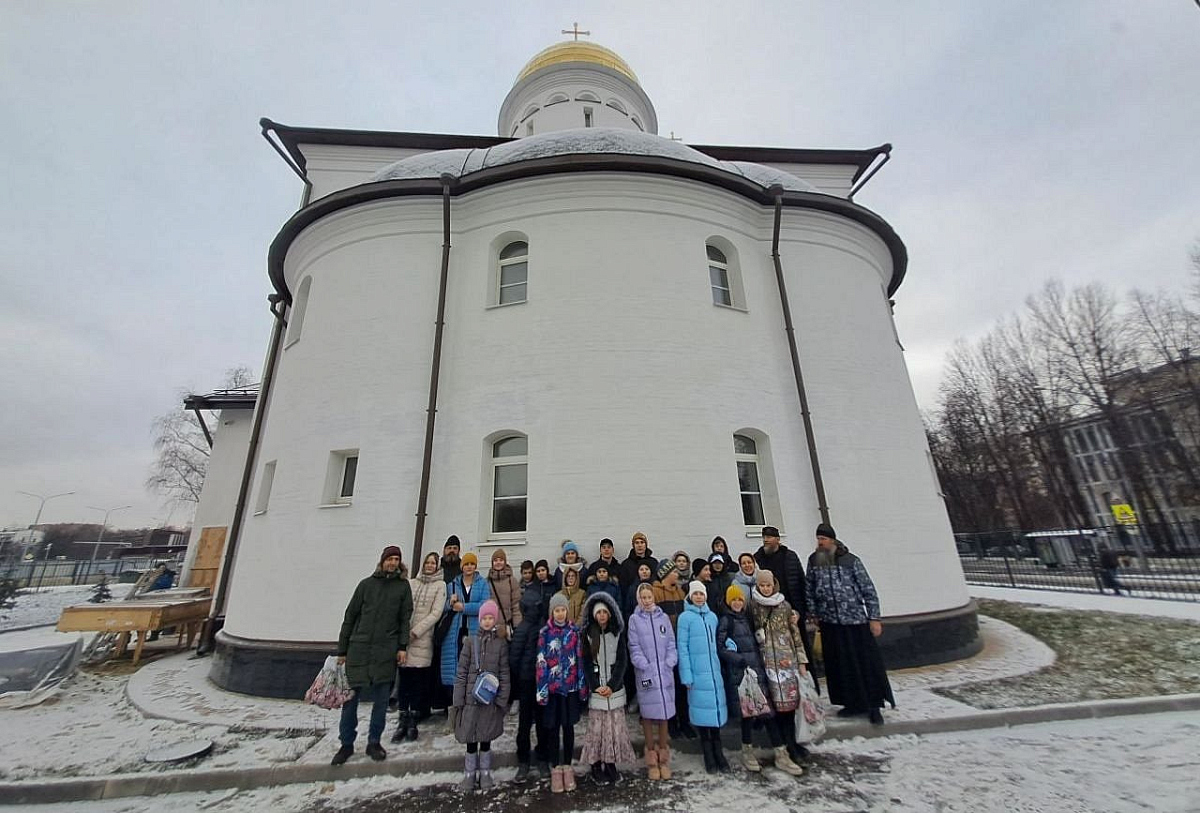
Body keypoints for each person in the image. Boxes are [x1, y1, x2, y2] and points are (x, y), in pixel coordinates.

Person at [332, 545, 413, 766]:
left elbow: (404, 619)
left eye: (396, 559)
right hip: (359, 649)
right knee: (350, 701)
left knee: (381, 701)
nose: (393, 563)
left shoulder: (402, 587)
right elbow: (350, 616)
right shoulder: (366, 585)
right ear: (382, 561)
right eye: (389, 559)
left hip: (385, 651)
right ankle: (346, 743)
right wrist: (342, 649)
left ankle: (374, 742)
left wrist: (402, 647)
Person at [806, 524, 894, 726]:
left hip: (854, 621)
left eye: (823, 539)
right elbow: (810, 587)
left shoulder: (850, 560)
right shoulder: (814, 561)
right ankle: (851, 703)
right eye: (818, 538)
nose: (820, 542)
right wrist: (813, 613)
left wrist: (874, 618)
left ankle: (873, 706)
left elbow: (867, 589)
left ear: (832, 540)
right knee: (841, 667)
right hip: (830, 622)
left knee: (865, 665)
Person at [718, 584, 803, 776]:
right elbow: (721, 647)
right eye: (734, 600)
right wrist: (738, 659)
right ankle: (747, 752)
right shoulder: (726, 621)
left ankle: (781, 753)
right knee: (748, 716)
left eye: (740, 599)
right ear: (728, 602)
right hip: (742, 674)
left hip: (758, 672)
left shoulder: (746, 618)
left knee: (768, 714)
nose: (737, 603)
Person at [750, 568, 810, 761]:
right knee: (775, 708)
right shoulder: (753, 607)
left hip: (787, 662)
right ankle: (784, 745)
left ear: (774, 585)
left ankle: (793, 743)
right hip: (767, 663)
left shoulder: (784, 606)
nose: (765, 589)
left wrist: (801, 660)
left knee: (790, 706)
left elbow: (795, 634)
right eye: (762, 585)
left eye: (768, 585)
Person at [452, 599, 511, 792]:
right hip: (470, 699)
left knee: (486, 736)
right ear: (479, 619)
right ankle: (469, 773)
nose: (487, 621)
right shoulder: (470, 642)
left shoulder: (500, 644)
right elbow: (461, 671)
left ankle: (485, 771)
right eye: (484, 618)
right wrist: (458, 698)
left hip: (489, 700)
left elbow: (504, 673)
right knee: (470, 737)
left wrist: (502, 699)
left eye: (490, 618)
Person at [579, 591, 636, 784]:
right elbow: (587, 663)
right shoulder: (588, 635)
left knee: (613, 729)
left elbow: (622, 661)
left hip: (614, 689)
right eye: (599, 613)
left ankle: (610, 762)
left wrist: (613, 685)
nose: (602, 616)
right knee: (597, 730)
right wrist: (595, 686)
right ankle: (595, 764)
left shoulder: (617, 633)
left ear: (610, 614)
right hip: (598, 690)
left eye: (605, 612)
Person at [537, 593, 588, 793]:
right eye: (557, 610)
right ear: (552, 612)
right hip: (552, 689)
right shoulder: (545, 633)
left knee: (568, 727)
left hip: (570, 688)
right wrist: (542, 690)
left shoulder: (574, 632)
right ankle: (555, 767)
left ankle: (567, 765)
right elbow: (541, 662)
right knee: (553, 728)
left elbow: (580, 659)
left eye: (563, 610)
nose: (560, 613)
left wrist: (582, 686)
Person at [677, 580, 729, 773]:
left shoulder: (712, 617)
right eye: (696, 594)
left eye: (701, 594)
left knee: (715, 713)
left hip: (713, 672)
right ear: (690, 596)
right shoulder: (685, 618)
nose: (699, 597)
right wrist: (686, 675)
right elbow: (682, 648)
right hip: (697, 674)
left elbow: (718, 640)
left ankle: (719, 752)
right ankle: (708, 754)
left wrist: (729, 645)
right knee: (702, 715)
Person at [509, 563, 555, 781]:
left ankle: (540, 757)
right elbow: (514, 658)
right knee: (526, 723)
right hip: (528, 681)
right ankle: (525, 759)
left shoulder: (544, 629)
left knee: (540, 722)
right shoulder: (523, 630)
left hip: (539, 681)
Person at [626, 582, 677, 780]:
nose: (647, 601)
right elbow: (634, 646)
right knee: (647, 714)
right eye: (643, 598)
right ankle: (651, 757)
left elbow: (670, 642)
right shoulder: (634, 620)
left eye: (649, 597)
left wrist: (670, 661)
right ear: (639, 599)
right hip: (646, 673)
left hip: (664, 672)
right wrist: (643, 664)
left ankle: (663, 756)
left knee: (664, 713)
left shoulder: (662, 618)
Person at [393, 551, 444, 743]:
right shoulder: (412, 583)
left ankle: (413, 721)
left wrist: (416, 631)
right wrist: (404, 631)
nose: (430, 566)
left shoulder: (440, 585)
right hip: (405, 640)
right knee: (404, 681)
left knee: (417, 682)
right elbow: (403, 607)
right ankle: (402, 720)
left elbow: (436, 613)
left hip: (422, 639)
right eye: (427, 562)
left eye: (433, 563)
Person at [754, 526, 817, 671]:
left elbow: (801, 582)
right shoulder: (758, 558)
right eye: (764, 537)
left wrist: (805, 610)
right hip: (770, 614)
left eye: (769, 537)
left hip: (793, 610)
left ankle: (807, 678)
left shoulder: (790, 556)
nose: (765, 540)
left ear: (777, 539)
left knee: (800, 647)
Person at [440, 553, 492, 700]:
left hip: (474, 630)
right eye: (466, 564)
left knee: (473, 664)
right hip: (455, 630)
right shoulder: (452, 585)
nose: (469, 567)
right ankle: (454, 701)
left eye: (472, 564)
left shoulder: (482, 583)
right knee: (455, 664)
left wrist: (464, 607)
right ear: (462, 566)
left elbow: (485, 606)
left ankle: (470, 699)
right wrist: (450, 603)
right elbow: (443, 607)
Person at [651, 559, 693, 739]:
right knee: (669, 687)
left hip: (680, 645)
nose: (677, 574)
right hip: (665, 648)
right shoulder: (655, 593)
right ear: (665, 575)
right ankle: (672, 723)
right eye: (674, 571)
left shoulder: (680, 592)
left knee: (682, 686)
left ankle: (685, 722)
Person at [486, 548, 522, 640]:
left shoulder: (511, 581)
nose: (498, 562)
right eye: (495, 560)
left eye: (501, 560)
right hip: (492, 625)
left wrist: (517, 625)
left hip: (507, 625)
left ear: (505, 562)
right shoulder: (487, 582)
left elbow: (516, 605)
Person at [707, 553, 733, 617]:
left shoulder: (728, 579)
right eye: (715, 563)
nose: (717, 565)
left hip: (726, 612)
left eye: (720, 563)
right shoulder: (708, 579)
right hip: (711, 611)